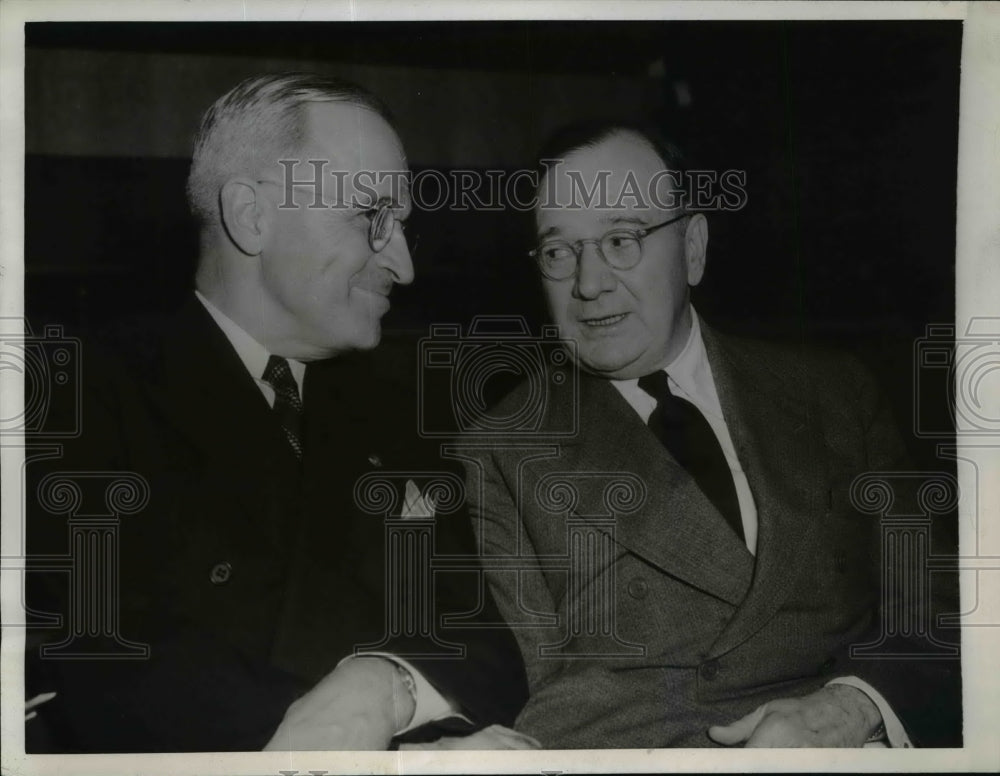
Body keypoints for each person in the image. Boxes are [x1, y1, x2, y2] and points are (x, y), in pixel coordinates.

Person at [24, 72, 530, 752]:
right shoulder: (74, 395)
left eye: (403, 225)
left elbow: (487, 644)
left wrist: (388, 686)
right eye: (371, 216)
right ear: (252, 215)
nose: (404, 266)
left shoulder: (406, 414)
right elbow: (105, 664)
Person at [461, 122, 961, 748]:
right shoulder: (503, 449)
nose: (588, 285)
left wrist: (850, 708)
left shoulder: (836, 395)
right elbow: (527, 698)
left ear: (693, 247)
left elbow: (944, 610)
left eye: (621, 240)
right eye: (560, 253)